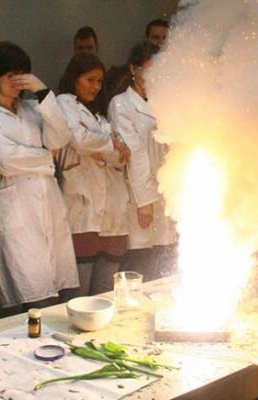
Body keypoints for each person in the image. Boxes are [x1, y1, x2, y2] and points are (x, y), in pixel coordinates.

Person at [0, 41, 76, 310]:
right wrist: (45, 158)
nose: (18, 82)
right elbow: (3, 159)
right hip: (13, 213)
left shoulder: (32, 108)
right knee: (31, 297)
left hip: (46, 205)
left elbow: (60, 139)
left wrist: (43, 92)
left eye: (22, 75)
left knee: (56, 295)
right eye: (11, 75)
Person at [54, 53, 132, 300]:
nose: (96, 86)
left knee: (105, 297)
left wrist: (104, 149)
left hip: (111, 212)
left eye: (99, 81)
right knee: (78, 297)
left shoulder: (100, 117)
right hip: (81, 206)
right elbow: (79, 139)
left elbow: (122, 156)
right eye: (90, 80)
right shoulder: (64, 103)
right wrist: (109, 145)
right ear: (74, 78)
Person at [109, 42, 177, 281]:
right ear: (133, 69)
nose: (152, 77)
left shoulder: (165, 101)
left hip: (166, 189)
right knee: (141, 259)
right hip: (139, 194)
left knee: (165, 257)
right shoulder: (121, 104)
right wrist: (144, 202)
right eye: (147, 70)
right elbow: (134, 153)